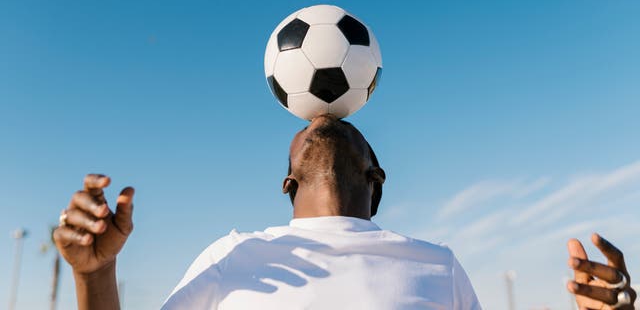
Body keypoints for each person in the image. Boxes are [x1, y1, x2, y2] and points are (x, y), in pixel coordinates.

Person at [53, 114, 635, 309]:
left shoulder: (439, 265)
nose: (319, 118)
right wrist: (92, 273)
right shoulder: (232, 254)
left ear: (374, 179)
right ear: (288, 183)